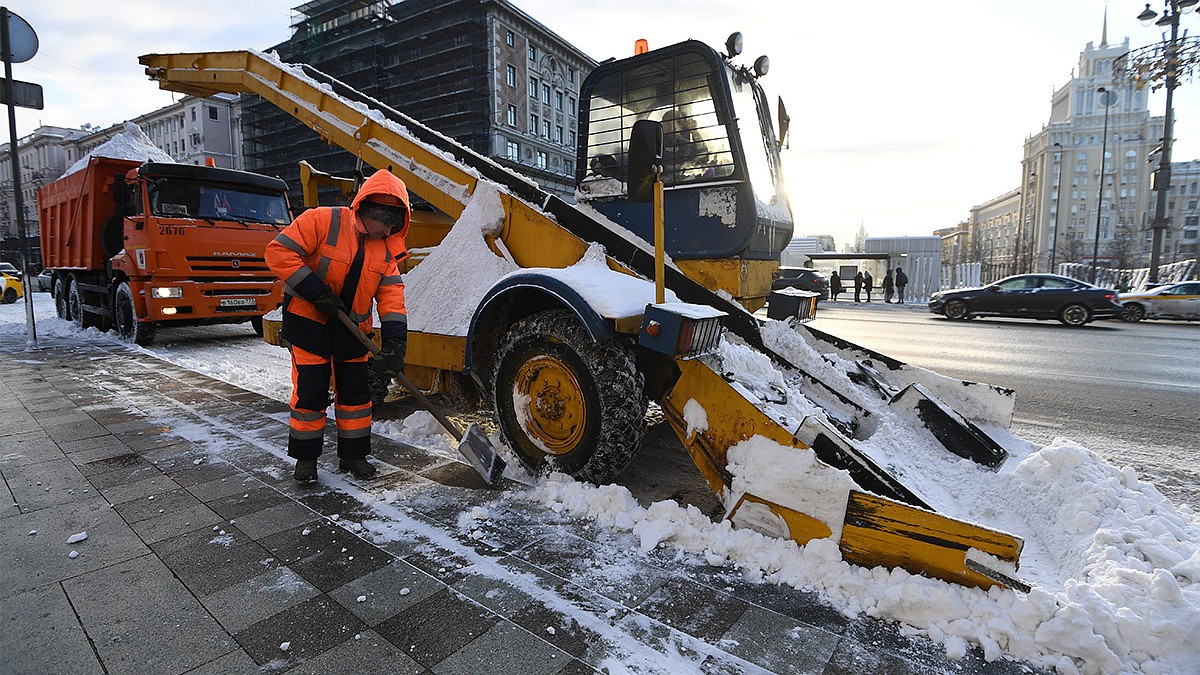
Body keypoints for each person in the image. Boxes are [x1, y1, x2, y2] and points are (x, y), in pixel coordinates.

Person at [265, 169, 411, 483]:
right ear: (369, 210)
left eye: (393, 226)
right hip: (309, 326)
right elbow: (278, 252)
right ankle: (306, 459)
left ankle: (354, 457)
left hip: (353, 333)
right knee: (311, 395)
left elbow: (392, 298)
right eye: (384, 222)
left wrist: (396, 344)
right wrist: (316, 292)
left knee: (356, 398)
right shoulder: (322, 220)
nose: (387, 231)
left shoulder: (386, 251)